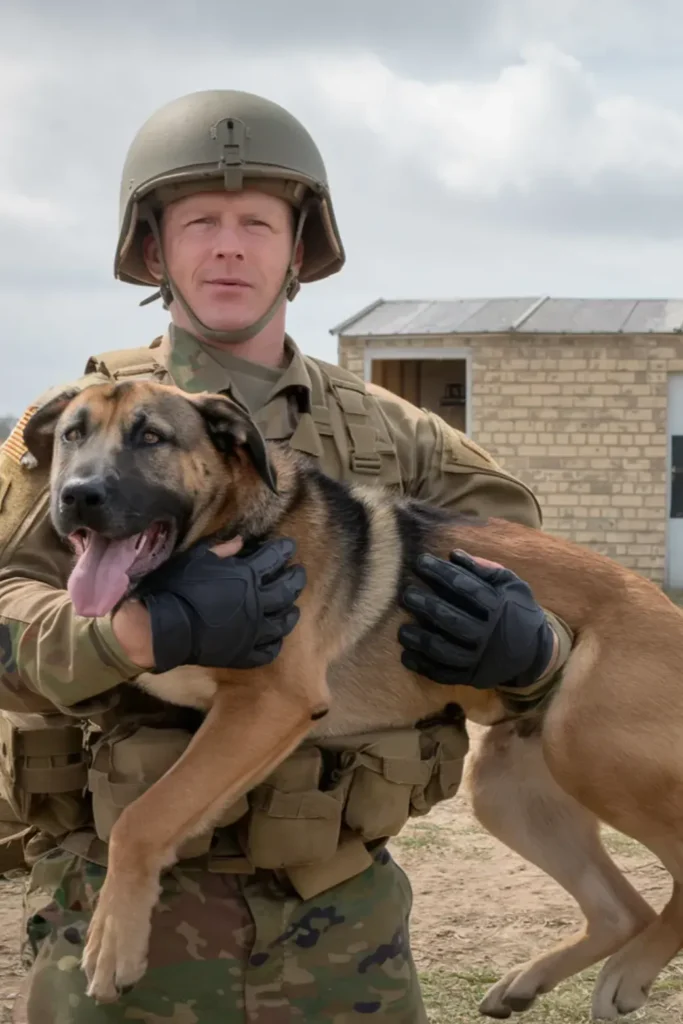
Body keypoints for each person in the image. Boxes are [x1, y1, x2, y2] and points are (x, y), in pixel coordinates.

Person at [0, 90, 573, 1023]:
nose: (229, 245)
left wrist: (534, 652)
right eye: (200, 222)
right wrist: (130, 635)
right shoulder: (73, 435)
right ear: (154, 250)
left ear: (298, 249)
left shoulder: (398, 437)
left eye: (258, 223)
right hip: (115, 916)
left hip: (342, 919)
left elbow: (543, 575)